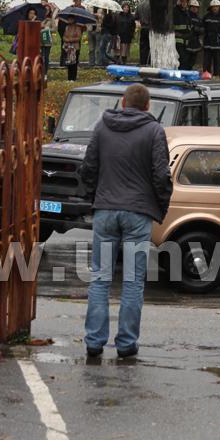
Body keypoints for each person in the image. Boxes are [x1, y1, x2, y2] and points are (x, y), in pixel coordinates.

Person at [80, 83, 173, 358]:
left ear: (123, 103)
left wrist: (94, 196)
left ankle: (94, 342)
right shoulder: (155, 131)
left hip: (105, 210)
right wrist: (160, 207)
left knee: (100, 278)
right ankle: (126, 344)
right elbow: (161, 175)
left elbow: (88, 167)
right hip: (138, 213)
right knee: (132, 280)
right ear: (147, 106)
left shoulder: (102, 127)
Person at [202, 0, 220, 77]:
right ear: (210, 7)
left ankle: (217, 76)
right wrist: (201, 39)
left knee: (217, 61)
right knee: (207, 62)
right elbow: (202, 28)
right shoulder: (206, 16)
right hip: (208, 43)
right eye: (213, 7)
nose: (215, 8)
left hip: (218, 43)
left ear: (219, 7)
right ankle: (206, 76)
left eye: (216, 7)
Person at [39, 0, 58, 77]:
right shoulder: (40, 18)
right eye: (45, 9)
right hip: (39, 40)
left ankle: (45, 73)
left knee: (46, 56)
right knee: (40, 56)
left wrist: (47, 29)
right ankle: (39, 71)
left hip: (47, 40)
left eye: (48, 9)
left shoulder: (51, 19)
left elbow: (54, 29)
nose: (46, 11)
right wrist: (41, 26)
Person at [63, 16, 85, 81]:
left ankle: (73, 78)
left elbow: (79, 37)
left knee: (74, 63)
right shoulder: (67, 27)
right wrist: (66, 39)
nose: (68, 20)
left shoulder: (77, 27)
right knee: (69, 62)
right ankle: (69, 78)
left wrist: (70, 40)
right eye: (68, 19)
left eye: (70, 19)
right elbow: (64, 36)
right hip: (68, 47)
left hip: (75, 47)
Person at [174, 0, 193, 70]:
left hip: (186, 39)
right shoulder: (175, 11)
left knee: (186, 58)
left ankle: (183, 73)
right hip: (178, 38)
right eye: (183, 1)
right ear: (179, 2)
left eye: (186, 2)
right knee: (181, 57)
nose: (184, 3)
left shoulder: (187, 12)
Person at [185, 0, 204, 69]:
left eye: (196, 7)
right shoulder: (186, 16)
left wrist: (197, 29)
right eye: (193, 7)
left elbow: (203, 30)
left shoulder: (199, 19)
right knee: (184, 60)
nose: (194, 9)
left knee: (192, 61)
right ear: (190, 7)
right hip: (186, 41)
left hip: (195, 43)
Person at [135, 0, 151, 65]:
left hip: (143, 28)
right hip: (151, 28)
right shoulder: (152, 4)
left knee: (143, 46)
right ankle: (149, 62)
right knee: (150, 47)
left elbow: (136, 17)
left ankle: (142, 62)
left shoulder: (139, 5)